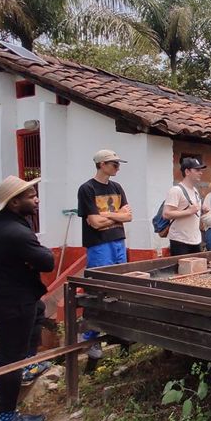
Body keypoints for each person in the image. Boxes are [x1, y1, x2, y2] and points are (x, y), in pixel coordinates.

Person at [0, 176, 53, 421]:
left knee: (39, 312)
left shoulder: (5, 225)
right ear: (14, 202)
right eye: (31, 197)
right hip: (10, 300)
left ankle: (28, 364)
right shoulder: (14, 232)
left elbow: (37, 257)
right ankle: (7, 417)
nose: (37, 199)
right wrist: (39, 255)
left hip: (14, 294)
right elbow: (47, 261)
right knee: (10, 358)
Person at [77, 149, 133, 361]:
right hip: (99, 244)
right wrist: (117, 217)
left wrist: (108, 215)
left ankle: (118, 331)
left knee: (120, 287)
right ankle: (91, 336)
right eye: (113, 164)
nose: (117, 168)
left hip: (118, 241)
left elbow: (128, 216)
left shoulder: (117, 187)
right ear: (102, 164)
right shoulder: (87, 188)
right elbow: (93, 222)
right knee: (98, 288)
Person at [163, 157, 209, 256]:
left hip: (195, 239)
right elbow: (166, 214)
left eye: (200, 170)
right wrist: (188, 211)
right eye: (197, 170)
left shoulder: (195, 191)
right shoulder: (176, 190)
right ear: (187, 172)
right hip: (180, 240)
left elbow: (194, 210)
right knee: (183, 270)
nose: (200, 172)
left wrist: (202, 209)